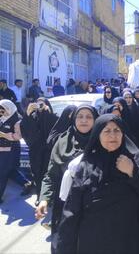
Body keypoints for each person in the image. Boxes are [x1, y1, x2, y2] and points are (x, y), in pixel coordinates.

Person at [54, 114, 139, 254]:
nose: (113, 135)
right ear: (98, 135)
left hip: (130, 242)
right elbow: (71, 212)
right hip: (93, 244)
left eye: (117, 130)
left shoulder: (135, 159)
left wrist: (133, 172)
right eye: (107, 131)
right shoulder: (86, 166)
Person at [35, 106, 98, 252]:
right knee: (63, 245)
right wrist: (44, 199)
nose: (84, 120)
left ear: (95, 120)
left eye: (89, 117)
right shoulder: (62, 142)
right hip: (64, 206)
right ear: (74, 119)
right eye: (80, 116)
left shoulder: (102, 142)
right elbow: (51, 175)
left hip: (94, 207)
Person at [20, 98, 58, 205]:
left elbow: (55, 129)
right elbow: (26, 131)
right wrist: (27, 114)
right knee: (37, 174)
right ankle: (39, 196)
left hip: (49, 151)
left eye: (42, 104)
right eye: (38, 103)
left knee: (49, 174)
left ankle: (49, 197)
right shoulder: (32, 116)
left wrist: (48, 113)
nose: (40, 106)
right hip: (35, 152)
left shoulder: (52, 115)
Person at [0, 100, 23, 204]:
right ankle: (27, 184)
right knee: (11, 171)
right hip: (2, 149)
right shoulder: (1, 118)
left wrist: (3, 135)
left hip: (10, 151)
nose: (1, 112)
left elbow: (18, 136)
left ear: (9, 108)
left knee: (3, 173)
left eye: (3, 110)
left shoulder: (17, 120)